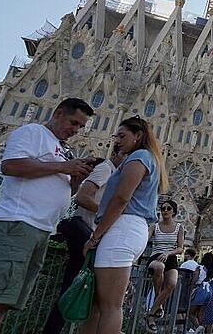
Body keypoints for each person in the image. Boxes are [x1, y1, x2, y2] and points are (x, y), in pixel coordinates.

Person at [0, 98, 95, 334]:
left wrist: (76, 178)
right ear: (58, 113)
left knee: (2, 304)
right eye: (74, 122)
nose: (76, 130)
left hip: (40, 231)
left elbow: (63, 191)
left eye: (81, 126)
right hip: (16, 225)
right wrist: (63, 167)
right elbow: (11, 166)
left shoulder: (61, 149)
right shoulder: (32, 133)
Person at [80, 115, 166, 334]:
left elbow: (121, 199)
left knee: (109, 306)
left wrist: (96, 236)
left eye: (122, 135)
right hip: (129, 231)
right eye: (115, 135)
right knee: (98, 305)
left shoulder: (139, 157)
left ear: (138, 136)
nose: (116, 140)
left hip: (122, 230)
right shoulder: (145, 158)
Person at [44, 143, 125, 334]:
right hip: (87, 234)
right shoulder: (106, 168)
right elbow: (82, 197)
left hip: (92, 235)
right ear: (118, 154)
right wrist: (109, 213)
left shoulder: (115, 174)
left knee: (80, 291)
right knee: (74, 290)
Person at [145, 198, 185, 329]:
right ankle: (158, 302)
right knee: (159, 266)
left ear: (174, 212)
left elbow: (180, 248)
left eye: (168, 208)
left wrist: (168, 253)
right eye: (163, 208)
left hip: (171, 257)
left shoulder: (179, 228)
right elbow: (145, 239)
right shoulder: (154, 226)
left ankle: (152, 312)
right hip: (156, 256)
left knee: (172, 283)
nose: (165, 210)